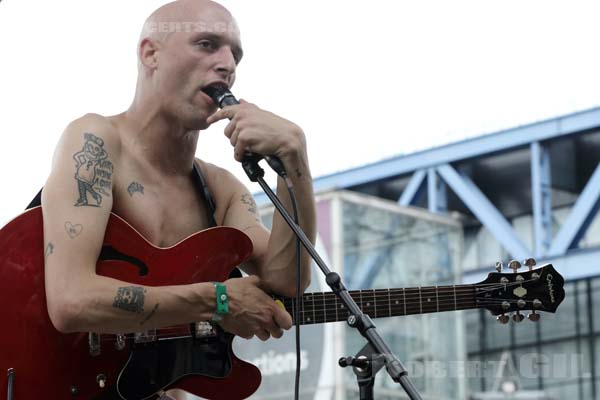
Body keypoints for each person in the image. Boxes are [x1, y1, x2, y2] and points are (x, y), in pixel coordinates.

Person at [41, 0, 316, 398]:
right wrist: (219, 299)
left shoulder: (221, 188)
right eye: (207, 44)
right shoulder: (96, 141)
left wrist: (294, 160)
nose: (228, 64)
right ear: (150, 53)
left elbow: (287, 281)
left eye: (235, 54)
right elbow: (70, 300)